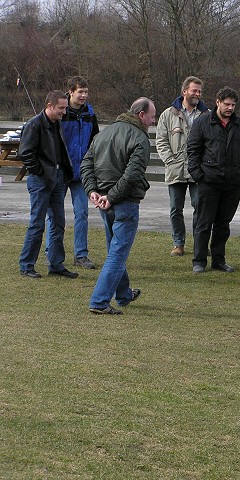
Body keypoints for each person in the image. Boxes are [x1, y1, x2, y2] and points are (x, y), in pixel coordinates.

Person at [80, 97, 156, 314]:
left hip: (105, 202)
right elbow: (132, 174)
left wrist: (93, 191)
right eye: (151, 117)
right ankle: (99, 301)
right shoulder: (140, 139)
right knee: (117, 253)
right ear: (141, 115)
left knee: (115, 249)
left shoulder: (103, 133)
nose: (153, 121)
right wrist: (111, 197)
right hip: (123, 203)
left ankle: (123, 294)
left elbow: (86, 164)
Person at [187, 86, 240, 273]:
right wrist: (198, 176)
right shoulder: (203, 122)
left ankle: (218, 260)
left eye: (233, 105)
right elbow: (193, 151)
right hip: (209, 182)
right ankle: (199, 260)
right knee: (203, 223)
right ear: (217, 102)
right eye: (227, 104)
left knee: (223, 224)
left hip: (232, 183)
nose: (230, 108)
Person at [18, 90, 79, 279]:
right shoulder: (34, 125)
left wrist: (61, 173)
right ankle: (27, 264)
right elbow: (26, 153)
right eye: (61, 108)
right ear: (49, 106)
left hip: (57, 179)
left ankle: (56, 264)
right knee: (37, 223)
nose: (64, 112)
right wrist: (41, 172)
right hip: (41, 181)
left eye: (65, 108)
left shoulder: (56, 123)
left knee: (58, 223)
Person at [46, 76, 100, 269]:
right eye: (80, 92)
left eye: (86, 92)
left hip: (81, 173)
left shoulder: (90, 115)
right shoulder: (61, 113)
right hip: (61, 172)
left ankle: (81, 255)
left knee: (82, 213)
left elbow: (95, 142)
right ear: (70, 92)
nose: (84, 95)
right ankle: (51, 253)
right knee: (55, 215)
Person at [156, 76, 209, 257]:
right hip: (175, 169)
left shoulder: (207, 115)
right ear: (184, 91)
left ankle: (199, 244)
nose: (197, 94)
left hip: (198, 171)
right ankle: (178, 243)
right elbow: (161, 141)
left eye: (200, 91)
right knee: (175, 209)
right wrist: (170, 160)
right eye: (194, 90)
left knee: (199, 207)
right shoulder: (168, 115)